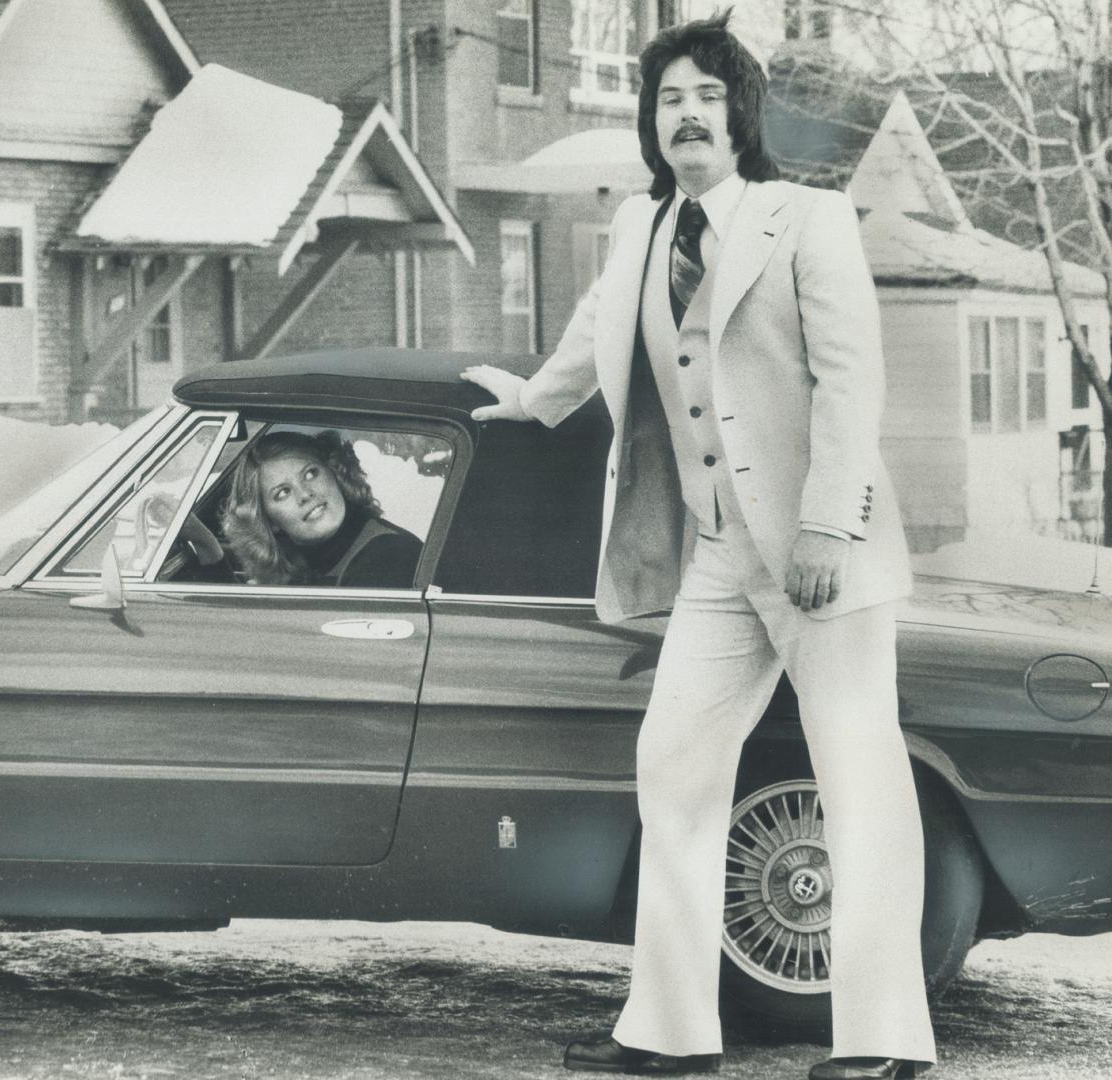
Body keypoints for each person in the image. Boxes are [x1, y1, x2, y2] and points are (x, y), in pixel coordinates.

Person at [462, 13, 935, 1080]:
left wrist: (825, 520)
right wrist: (532, 401)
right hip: (717, 555)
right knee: (671, 767)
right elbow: (595, 330)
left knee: (857, 778)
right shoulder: (637, 229)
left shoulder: (804, 218)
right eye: (668, 99)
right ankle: (670, 1033)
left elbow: (854, 382)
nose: (687, 115)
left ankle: (884, 1044)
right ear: (649, 122)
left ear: (741, 116)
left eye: (706, 98)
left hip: (825, 554)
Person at [220, 430, 422, 588]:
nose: (305, 494)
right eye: (283, 493)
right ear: (269, 521)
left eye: (310, 474)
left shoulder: (388, 555)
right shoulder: (302, 568)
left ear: (334, 473)